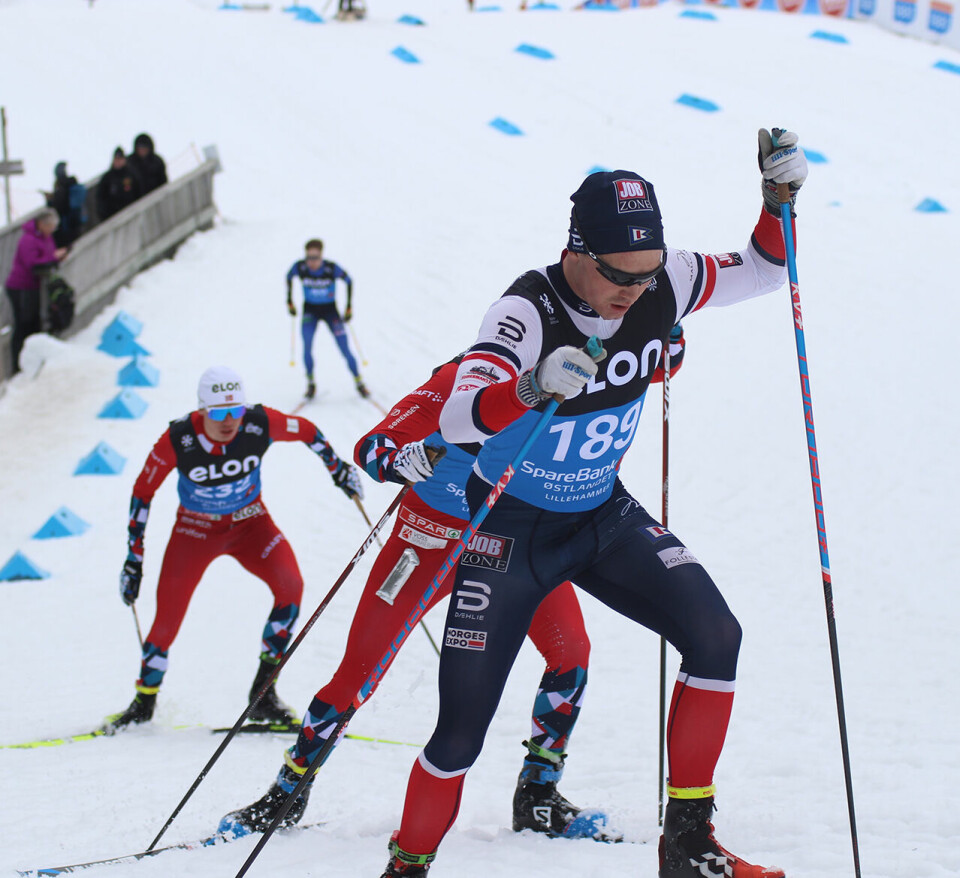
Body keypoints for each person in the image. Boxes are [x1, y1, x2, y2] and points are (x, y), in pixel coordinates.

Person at [376, 127, 808, 878]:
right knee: (461, 734)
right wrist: (532, 387)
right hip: (508, 533)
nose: (632, 293)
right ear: (575, 250)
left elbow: (769, 270)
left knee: (716, 635)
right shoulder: (524, 311)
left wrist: (776, 202)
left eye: (645, 278)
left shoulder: (665, 277)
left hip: (601, 516)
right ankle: (406, 867)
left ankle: (688, 845)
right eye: (617, 276)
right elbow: (457, 417)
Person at [217, 345, 686, 840]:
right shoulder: (457, 382)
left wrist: (668, 340)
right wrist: (402, 462)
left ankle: (538, 796)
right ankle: (286, 795)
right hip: (424, 544)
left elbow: (650, 367)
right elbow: (372, 449)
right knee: (357, 673)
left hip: (511, 543)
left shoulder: (560, 378)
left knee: (572, 654)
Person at [103, 366, 365, 732]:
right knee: (166, 621)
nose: (229, 422)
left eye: (235, 411)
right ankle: (143, 703)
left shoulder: (259, 424)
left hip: (251, 524)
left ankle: (263, 696)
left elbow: (307, 431)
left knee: (291, 587)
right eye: (218, 413)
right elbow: (142, 493)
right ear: (201, 411)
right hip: (194, 532)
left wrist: (339, 470)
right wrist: (134, 560)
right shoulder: (178, 438)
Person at [286, 238, 369, 401]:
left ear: (321, 256)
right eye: (309, 257)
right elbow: (289, 277)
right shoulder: (300, 267)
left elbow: (348, 280)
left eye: (315, 258)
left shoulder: (331, 268)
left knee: (344, 346)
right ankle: (310, 383)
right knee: (307, 347)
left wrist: (349, 306)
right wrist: (289, 301)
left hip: (330, 311)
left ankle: (359, 381)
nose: (312, 262)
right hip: (310, 310)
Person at [3, 207, 68, 373]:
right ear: (41, 224)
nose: (52, 230)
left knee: (33, 323)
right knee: (22, 324)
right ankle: (16, 366)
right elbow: (32, 263)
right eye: (50, 226)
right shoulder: (28, 239)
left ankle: (30, 362)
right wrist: (53, 257)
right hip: (21, 287)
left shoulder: (46, 238)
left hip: (34, 287)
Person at [44, 162, 87, 248]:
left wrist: (50, 201)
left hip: (65, 227)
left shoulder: (62, 187)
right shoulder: (71, 184)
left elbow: (59, 207)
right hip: (75, 226)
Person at [95, 147, 142, 221]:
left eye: (120, 159)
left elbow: (139, 192)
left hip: (130, 212)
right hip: (113, 216)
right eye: (116, 159)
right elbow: (101, 197)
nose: (118, 162)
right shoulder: (107, 178)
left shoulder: (131, 175)